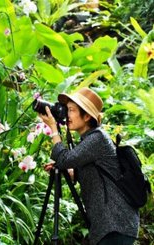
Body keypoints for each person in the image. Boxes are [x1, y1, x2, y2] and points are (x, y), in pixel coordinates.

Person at [38, 87, 139, 245]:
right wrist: (67, 170)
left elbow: (65, 158)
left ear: (86, 116)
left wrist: (53, 128)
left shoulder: (97, 138)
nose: (66, 114)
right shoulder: (88, 139)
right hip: (108, 225)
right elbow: (87, 171)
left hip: (117, 224)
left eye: (71, 110)